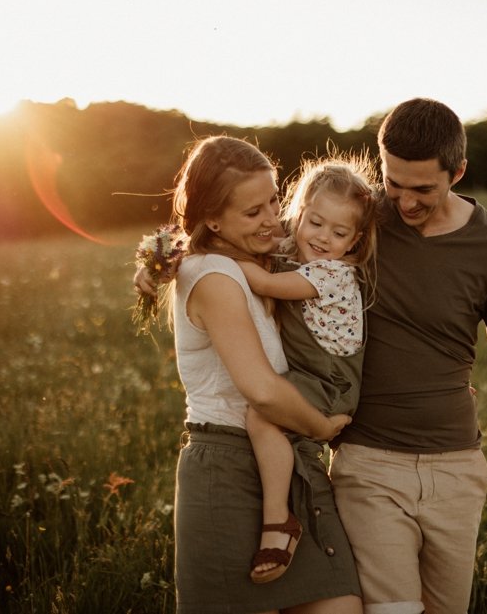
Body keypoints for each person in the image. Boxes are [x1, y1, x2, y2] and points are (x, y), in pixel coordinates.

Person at [329, 98, 487, 614]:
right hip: (368, 462)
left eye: (423, 188)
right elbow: (268, 247)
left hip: (456, 469)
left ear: (459, 171)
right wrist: (168, 262)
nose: (404, 202)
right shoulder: (359, 222)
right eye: (393, 183)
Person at [151, 135, 362, 613]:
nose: (272, 219)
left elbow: (350, 223)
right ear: (212, 219)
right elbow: (262, 391)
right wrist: (322, 427)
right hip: (228, 468)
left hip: (293, 465)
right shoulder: (213, 276)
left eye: (273, 200)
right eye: (253, 213)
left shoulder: (267, 256)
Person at [232, 157, 377, 585]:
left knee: (261, 414)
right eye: (315, 223)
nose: (323, 238)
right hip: (312, 377)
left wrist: (219, 262)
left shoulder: (334, 273)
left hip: (330, 385)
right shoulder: (291, 251)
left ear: (353, 242)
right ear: (299, 212)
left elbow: (267, 284)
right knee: (278, 429)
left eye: (339, 233)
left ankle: (280, 520)